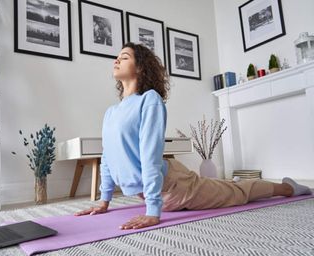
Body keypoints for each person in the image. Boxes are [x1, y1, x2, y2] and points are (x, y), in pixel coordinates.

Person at [74, 42, 312, 230]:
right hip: (158, 188)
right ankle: (234, 183)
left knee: (236, 194)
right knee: (225, 187)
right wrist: (104, 202)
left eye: (124, 56)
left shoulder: (149, 100)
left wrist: (152, 211)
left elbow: (150, 154)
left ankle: (287, 188)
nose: (116, 59)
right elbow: (108, 157)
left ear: (140, 67)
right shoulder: (111, 113)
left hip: (176, 186)